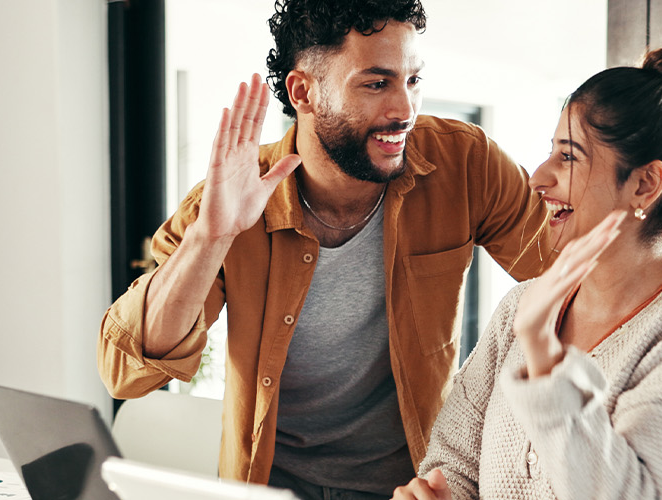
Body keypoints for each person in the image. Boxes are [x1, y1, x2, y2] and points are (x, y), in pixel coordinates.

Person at [96, 0, 555, 498]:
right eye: (376, 84)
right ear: (304, 92)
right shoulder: (232, 199)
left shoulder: (464, 163)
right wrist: (212, 238)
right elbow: (126, 371)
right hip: (273, 489)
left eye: (413, 80)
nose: (405, 109)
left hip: (413, 488)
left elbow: (573, 278)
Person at [393, 43, 662, 500]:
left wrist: (544, 355)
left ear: (644, 184)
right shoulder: (519, 308)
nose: (538, 178)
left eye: (568, 157)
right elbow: (452, 466)